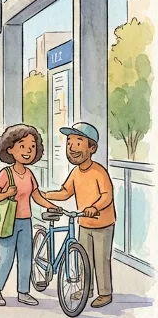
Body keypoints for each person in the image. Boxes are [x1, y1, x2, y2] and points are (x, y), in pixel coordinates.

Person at [43, 122, 116, 308]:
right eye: (69, 142)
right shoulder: (76, 172)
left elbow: (107, 195)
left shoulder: (99, 172)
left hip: (102, 223)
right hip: (84, 223)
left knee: (101, 259)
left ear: (92, 148)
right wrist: (45, 195)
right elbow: (65, 192)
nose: (72, 147)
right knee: (85, 260)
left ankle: (105, 293)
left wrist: (94, 207)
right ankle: (87, 289)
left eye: (78, 142)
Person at [0, 124, 60, 307]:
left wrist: (52, 205)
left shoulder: (29, 174)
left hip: (25, 222)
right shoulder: (6, 174)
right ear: (10, 148)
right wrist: (6, 193)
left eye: (32, 147)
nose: (28, 151)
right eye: (23, 146)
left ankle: (23, 292)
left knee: (26, 258)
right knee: (6, 259)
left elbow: (36, 196)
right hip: (7, 222)